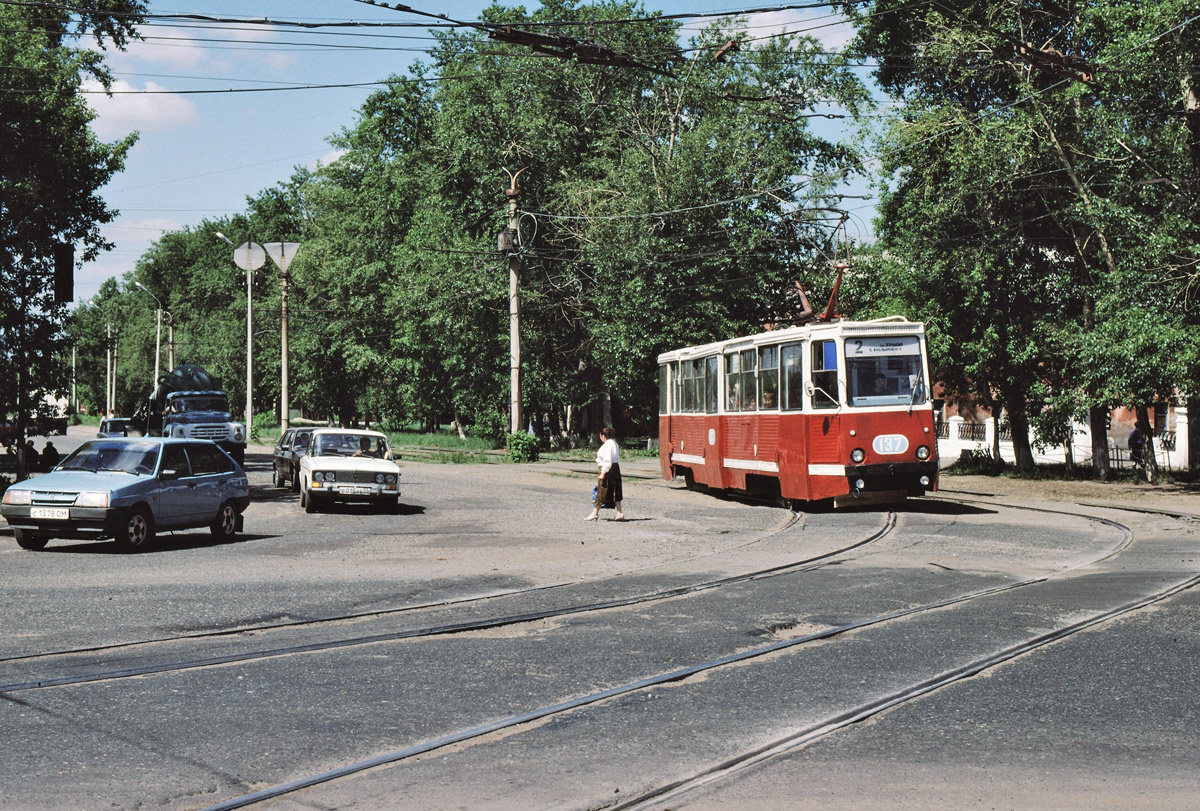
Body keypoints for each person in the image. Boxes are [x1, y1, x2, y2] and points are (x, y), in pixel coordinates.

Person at [585, 426, 624, 521]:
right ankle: (619, 512)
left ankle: (595, 513)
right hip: (615, 468)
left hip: (607, 469)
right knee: (615, 490)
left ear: (603, 436)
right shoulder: (614, 443)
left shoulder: (607, 445)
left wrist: (603, 472)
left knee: (602, 490)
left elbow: (607, 460)